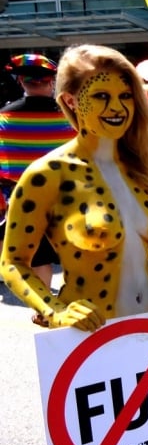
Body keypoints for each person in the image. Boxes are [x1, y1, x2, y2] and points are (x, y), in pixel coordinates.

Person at [0, 43, 148, 445]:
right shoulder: (46, 176)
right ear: (68, 103)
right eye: (101, 96)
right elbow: (11, 262)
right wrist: (54, 306)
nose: (118, 108)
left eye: (125, 95)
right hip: (90, 351)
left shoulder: (143, 170)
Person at [0, 53, 76, 326]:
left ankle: (45, 306)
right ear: (50, 81)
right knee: (74, 248)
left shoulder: (4, 117)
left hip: (24, 198)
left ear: (21, 81)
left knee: (38, 253)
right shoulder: (68, 115)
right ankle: (76, 298)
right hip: (67, 195)